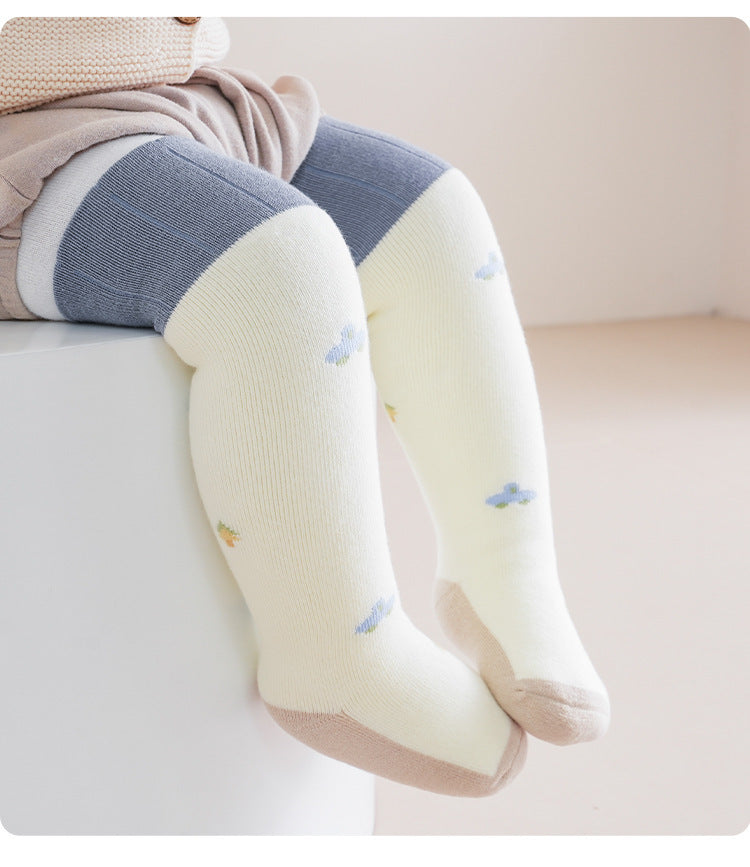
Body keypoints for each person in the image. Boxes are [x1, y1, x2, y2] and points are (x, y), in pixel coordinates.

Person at [0, 16, 609, 797]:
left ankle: (504, 567)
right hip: (28, 143)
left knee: (432, 213)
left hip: (170, 92)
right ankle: (338, 654)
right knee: (276, 270)